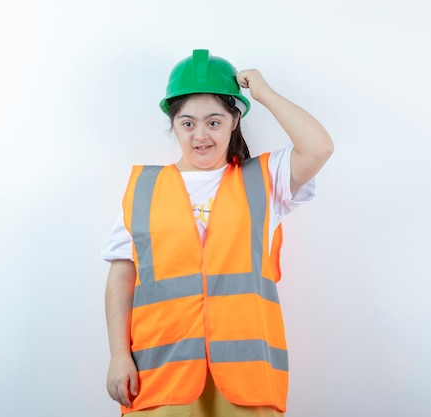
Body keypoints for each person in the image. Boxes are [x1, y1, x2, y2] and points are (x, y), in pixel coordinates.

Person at [101, 49, 333, 416]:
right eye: (187, 123)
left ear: (234, 120)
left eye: (214, 122)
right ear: (173, 124)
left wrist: (265, 94)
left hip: (248, 382)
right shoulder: (143, 188)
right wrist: (118, 355)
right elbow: (121, 276)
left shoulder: (266, 179)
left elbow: (319, 147)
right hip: (161, 376)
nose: (200, 135)